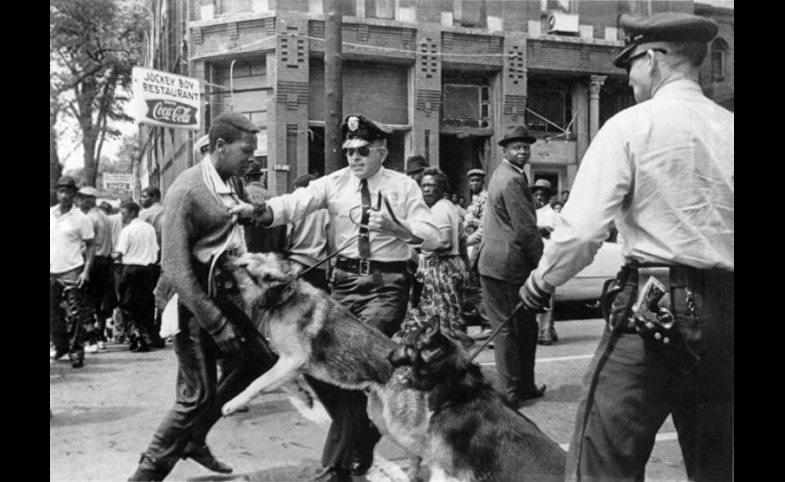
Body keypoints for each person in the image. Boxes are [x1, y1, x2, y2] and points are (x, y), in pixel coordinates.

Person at [518, 12, 733, 482]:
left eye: (631, 63)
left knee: (602, 457)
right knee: (716, 460)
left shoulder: (631, 125)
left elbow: (581, 232)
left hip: (654, 305)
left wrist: (540, 282)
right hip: (727, 315)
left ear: (654, 59)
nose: (631, 76)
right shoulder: (730, 129)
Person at [245, 114, 439, 482]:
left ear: (382, 151)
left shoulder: (404, 187)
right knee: (318, 364)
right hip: (346, 284)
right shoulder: (335, 183)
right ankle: (362, 436)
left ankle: (337, 465)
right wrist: (259, 211)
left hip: (387, 284)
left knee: (357, 362)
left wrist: (398, 228)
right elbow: (295, 202)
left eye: (363, 150)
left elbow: (433, 236)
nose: (354, 158)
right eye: (348, 150)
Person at [129, 113, 278, 481]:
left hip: (222, 297)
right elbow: (177, 271)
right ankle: (146, 474)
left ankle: (195, 438)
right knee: (195, 395)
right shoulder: (186, 191)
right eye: (246, 151)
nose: (252, 159)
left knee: (258, 359)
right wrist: (215, 322)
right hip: (189, 304)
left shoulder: (234, 181)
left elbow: (238, 225)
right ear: (219, 147)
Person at [478, 125, 546, 407]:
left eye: (525, 147)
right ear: (505, 151)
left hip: (494, 263)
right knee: (510, 329)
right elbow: (526, 230)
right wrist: (543, 263)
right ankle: (512, 393)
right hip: (508, 265)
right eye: (516, 148)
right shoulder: (512, 180)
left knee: (521, 328)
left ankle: (522, 386)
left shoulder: (501, 175)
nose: (522, 152)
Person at [398, 167, 473, 347]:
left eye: (432, 185)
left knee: (440, 317)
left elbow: (445, 243)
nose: (426, 189)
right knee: (445, 316)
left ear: (441, 188)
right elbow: (461, 241)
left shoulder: (440, 210)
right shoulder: (446, 207)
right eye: (424, 185)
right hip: (449, 266)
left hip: (442, 268)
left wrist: (419, 247)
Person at [50, 176, 95, 369]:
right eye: (61, 191)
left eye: (68, 192)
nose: (65, 195)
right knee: (53, 313)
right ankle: (60, 346)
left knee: (76, 314)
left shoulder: (81, 219)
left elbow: (91, 245)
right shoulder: (50, 214)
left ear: (74, 195)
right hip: (52, 270)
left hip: (72, 270)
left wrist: (85, 271)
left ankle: (76, 352)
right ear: (57, 193)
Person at [113, 201, 159, 353]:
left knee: (128, 305)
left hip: (130, 270)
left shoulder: (127, 231)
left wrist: (110, 257)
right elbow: (155, 252)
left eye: (123, 213)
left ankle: (136, 336)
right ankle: (147, 337)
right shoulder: (149, 229)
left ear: (132, 212)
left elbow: (119, 252)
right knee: (145, 305)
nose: (122, 217)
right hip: (147, 270)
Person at [78, 186, 114, 353]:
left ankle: (91, 336)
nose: (81, 201)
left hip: (93, 261)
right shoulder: (105, 217)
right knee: (102, 299)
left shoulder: (89, 218)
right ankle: (100, 336)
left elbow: (88, 244)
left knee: (88, 299)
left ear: (91, 199)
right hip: (106, 261)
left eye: (84, 198)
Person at [287, 174, 332, 292]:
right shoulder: (325, 210)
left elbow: (287, 236)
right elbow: (331, 237)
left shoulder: (293, 207)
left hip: (296, 263)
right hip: (320, 264)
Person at [463, 168, 492, 339]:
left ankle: (488, 325)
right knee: (473, 287)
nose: (474, 184)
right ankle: (485, 324)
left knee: (478, 288)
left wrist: (467, 239)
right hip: (471, 244)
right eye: (471, 181)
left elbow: (484, 226)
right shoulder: (474, 199)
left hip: (478, 245)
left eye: (477, 181)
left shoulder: (485, 199)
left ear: (483, 182)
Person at [531, 179, 559, 346]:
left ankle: (544, 333)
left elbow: (560, 237)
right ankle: (549, 330)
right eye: (537, 194)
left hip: (547, 258)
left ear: (549, 197)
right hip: (533, 258)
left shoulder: (554, 216)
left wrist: (548, 233)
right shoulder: (530, 213)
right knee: (537, 296)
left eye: (543, 195)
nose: (539, 198)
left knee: (545, 298)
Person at [242, 161, 288, 255]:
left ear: (246, 178)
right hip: (270, 254)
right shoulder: (273, 197)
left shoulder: (240, 197)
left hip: (247, 253)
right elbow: (281, 227)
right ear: (260, 178)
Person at [140, 187, 167, 349]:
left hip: (148, 261)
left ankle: (150, 334)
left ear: (155, 197)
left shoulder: (144, 215)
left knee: (147, 298)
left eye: (144, 196)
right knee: (162, 296)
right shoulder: (169, 211)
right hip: (165, 259)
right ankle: (161, 332)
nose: (142, 200)